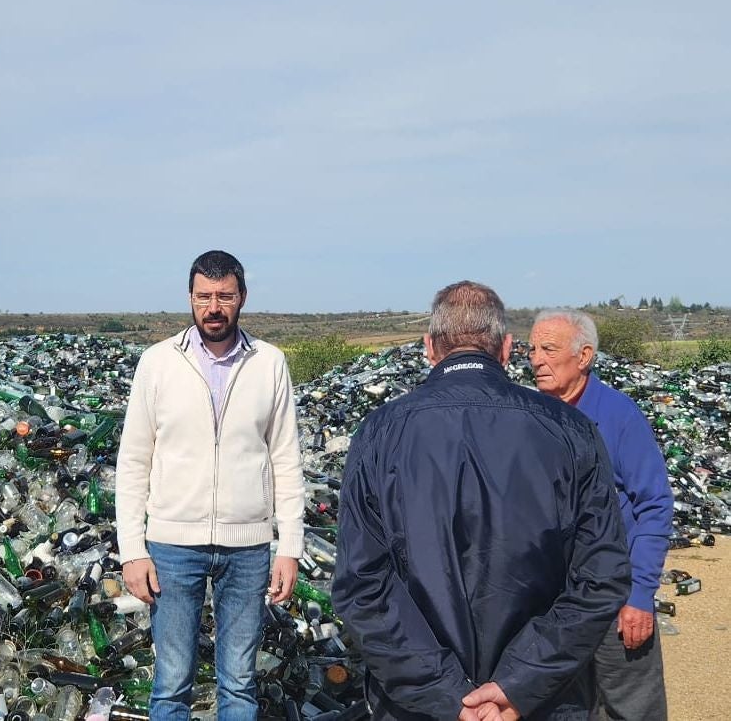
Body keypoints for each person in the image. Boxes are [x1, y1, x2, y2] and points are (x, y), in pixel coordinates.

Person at [333, 281, 630, 721]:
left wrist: (448, 695)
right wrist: (515, 685)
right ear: (507, 348)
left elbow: (363, 585)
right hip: (539, 702)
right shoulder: (571, 430)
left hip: (422, 707)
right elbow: (600, 575)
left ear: (429, 347)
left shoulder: (380, 433)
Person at [115, 249, 305, 721]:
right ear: (190, 298)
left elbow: (285, 458)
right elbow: (134, 461)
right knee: (171, 683)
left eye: (224, 296)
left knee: (239, 685)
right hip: (172, 546)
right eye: (204, 297)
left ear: (242, 298)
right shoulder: (158, 363)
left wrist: (290, 547)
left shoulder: (269, 363)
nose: (213, 307)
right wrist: (131, 550)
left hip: (248, 548)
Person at [529, 309, 673, 721]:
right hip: (553, 606)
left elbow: (654, 505)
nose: (536, 359)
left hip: (615, 598)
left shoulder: (619, 416)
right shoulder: (527, 417)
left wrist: (641, 594)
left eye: (549, 349)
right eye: (532, 348)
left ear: (585, 355)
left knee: (631, 709)